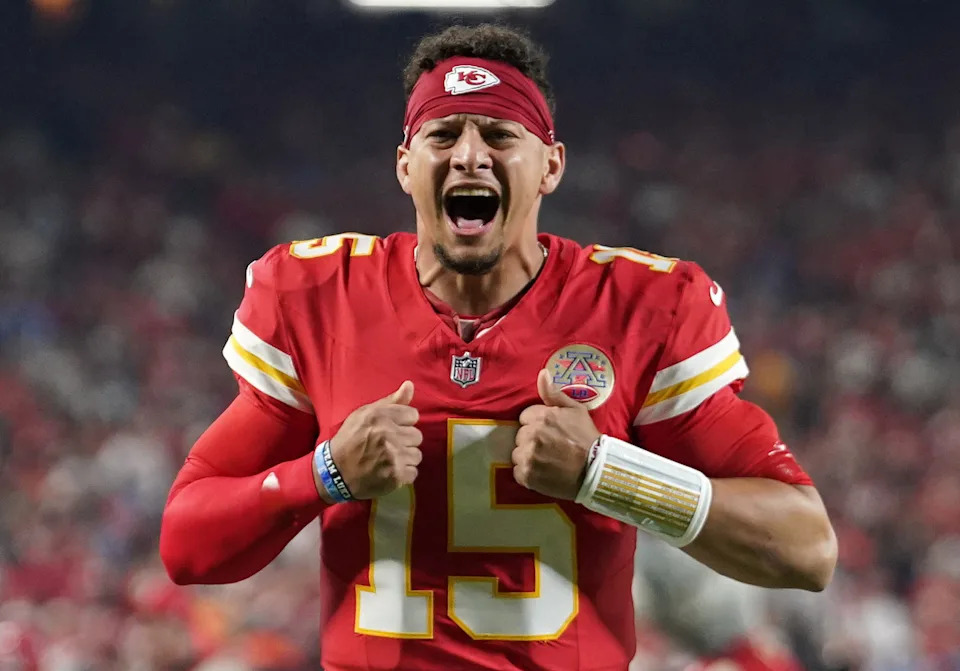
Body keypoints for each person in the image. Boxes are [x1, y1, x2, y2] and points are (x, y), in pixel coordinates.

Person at [160, 23, 838, 671]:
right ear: (405, 164)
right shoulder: (319, 295)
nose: (470, 153)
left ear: (551, 165)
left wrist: (605, 472)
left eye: (498, 133)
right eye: (444, 132)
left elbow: (806, 548)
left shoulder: (642, 308)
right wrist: (326, 472)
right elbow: (187, 544)